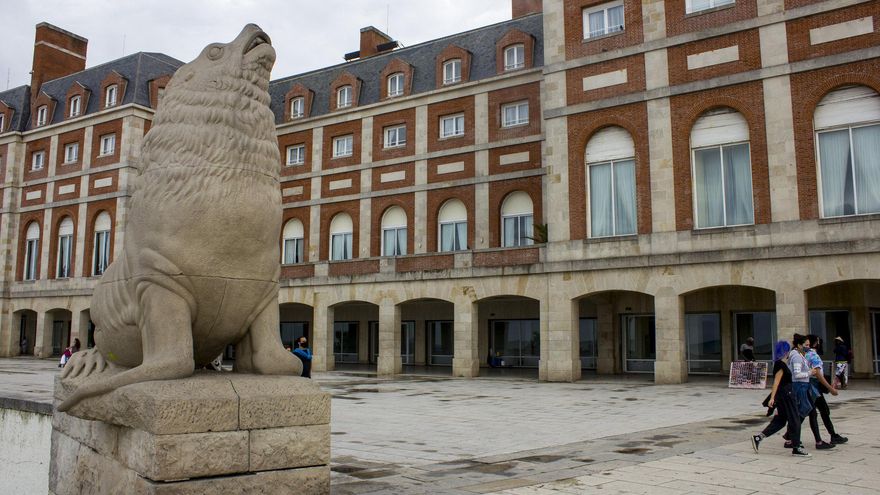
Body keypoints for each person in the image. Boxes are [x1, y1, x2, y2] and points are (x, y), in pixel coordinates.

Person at [751, 340, 808, 457]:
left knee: (780, 421)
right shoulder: (780, 365)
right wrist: (772, 398)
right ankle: (796, 447)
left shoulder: (780, 363)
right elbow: (776, 383)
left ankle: (758, 438)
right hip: (786, 394)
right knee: (795, 419)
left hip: (784, 394)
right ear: (785, 351)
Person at [805, 335, 847, 447]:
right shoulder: (814, 356)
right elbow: (818, 374)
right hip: (814, 388)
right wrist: (830, 388)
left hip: (808, 387)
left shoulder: (805, 354)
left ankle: (789, 435)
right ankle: (829, 437)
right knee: (818, 412)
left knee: (812, 411)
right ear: (815, 343)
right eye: (818, 341)